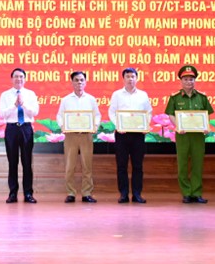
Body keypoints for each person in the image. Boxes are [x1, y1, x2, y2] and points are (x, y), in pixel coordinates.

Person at [165, 65, 214, 204]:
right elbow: (171, 114)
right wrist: (178, 126)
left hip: (198, 136)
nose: (189, 82)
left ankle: (196, 193)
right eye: (186, 79)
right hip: (183, 135)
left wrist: (206, 126)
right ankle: (186, 193)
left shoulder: (202, 97)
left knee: (198, 164)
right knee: (183, 164)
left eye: (191, 79)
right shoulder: (175, 98)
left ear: (195, 80)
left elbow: (206, 114)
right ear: (181, 81)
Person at [108, 67, 153, 204]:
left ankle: (137, 194)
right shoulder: (117, 94)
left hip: (138, 135)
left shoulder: (143, 95)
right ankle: (123, 194)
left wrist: (146, 125)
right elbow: (112, 112)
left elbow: (148, 112)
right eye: (127, 76)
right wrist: (118, 125)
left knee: (138, 166)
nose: (130, 79)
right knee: (121, 165)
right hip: (122, 134)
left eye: (133, 76)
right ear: (123, 79)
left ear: (136, 79)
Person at [56, 71, 101, 204]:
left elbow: (97, 115)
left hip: (86, 136)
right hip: (71, 136)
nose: (79, 82)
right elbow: (59, 115)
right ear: (72, 82)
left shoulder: (91, 99)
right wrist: (62, 126)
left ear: (85, 82)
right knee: (70, 166)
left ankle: (87, 193)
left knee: (87, 166)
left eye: (82, 80)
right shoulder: (66, 100)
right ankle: (70, 193)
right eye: (76, 80)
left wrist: (95, 126)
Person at [0, 68, 39, 204]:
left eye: (21, 77)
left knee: (27, 162)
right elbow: (2, 114)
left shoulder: (31, 94)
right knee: (12, 162)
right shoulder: (5, 95)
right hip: (11, 128)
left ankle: (28, 193)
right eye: (16, 76)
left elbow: (34, 112)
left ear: (25, 79)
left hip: (26, 128)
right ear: (11, 79)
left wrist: (23, 105)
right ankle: (13, 193)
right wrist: (14, 105)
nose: (18, 79)